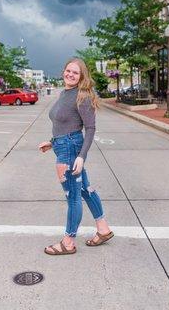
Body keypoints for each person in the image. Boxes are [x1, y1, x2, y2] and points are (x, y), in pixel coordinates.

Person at [39, 58, 114, 255]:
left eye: (75, 73)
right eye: (68, 71)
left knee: (73, 197)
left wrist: (81, 156)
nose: (71, 75)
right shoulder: (65, 93)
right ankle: (103, 229)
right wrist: (52, 142)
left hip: (71, 150)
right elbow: (64, 124)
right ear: (63, 71)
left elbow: (90, 129)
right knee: (85, 190)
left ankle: (68, 241)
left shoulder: (82, 95)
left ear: (81, 76)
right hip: (63, 145)